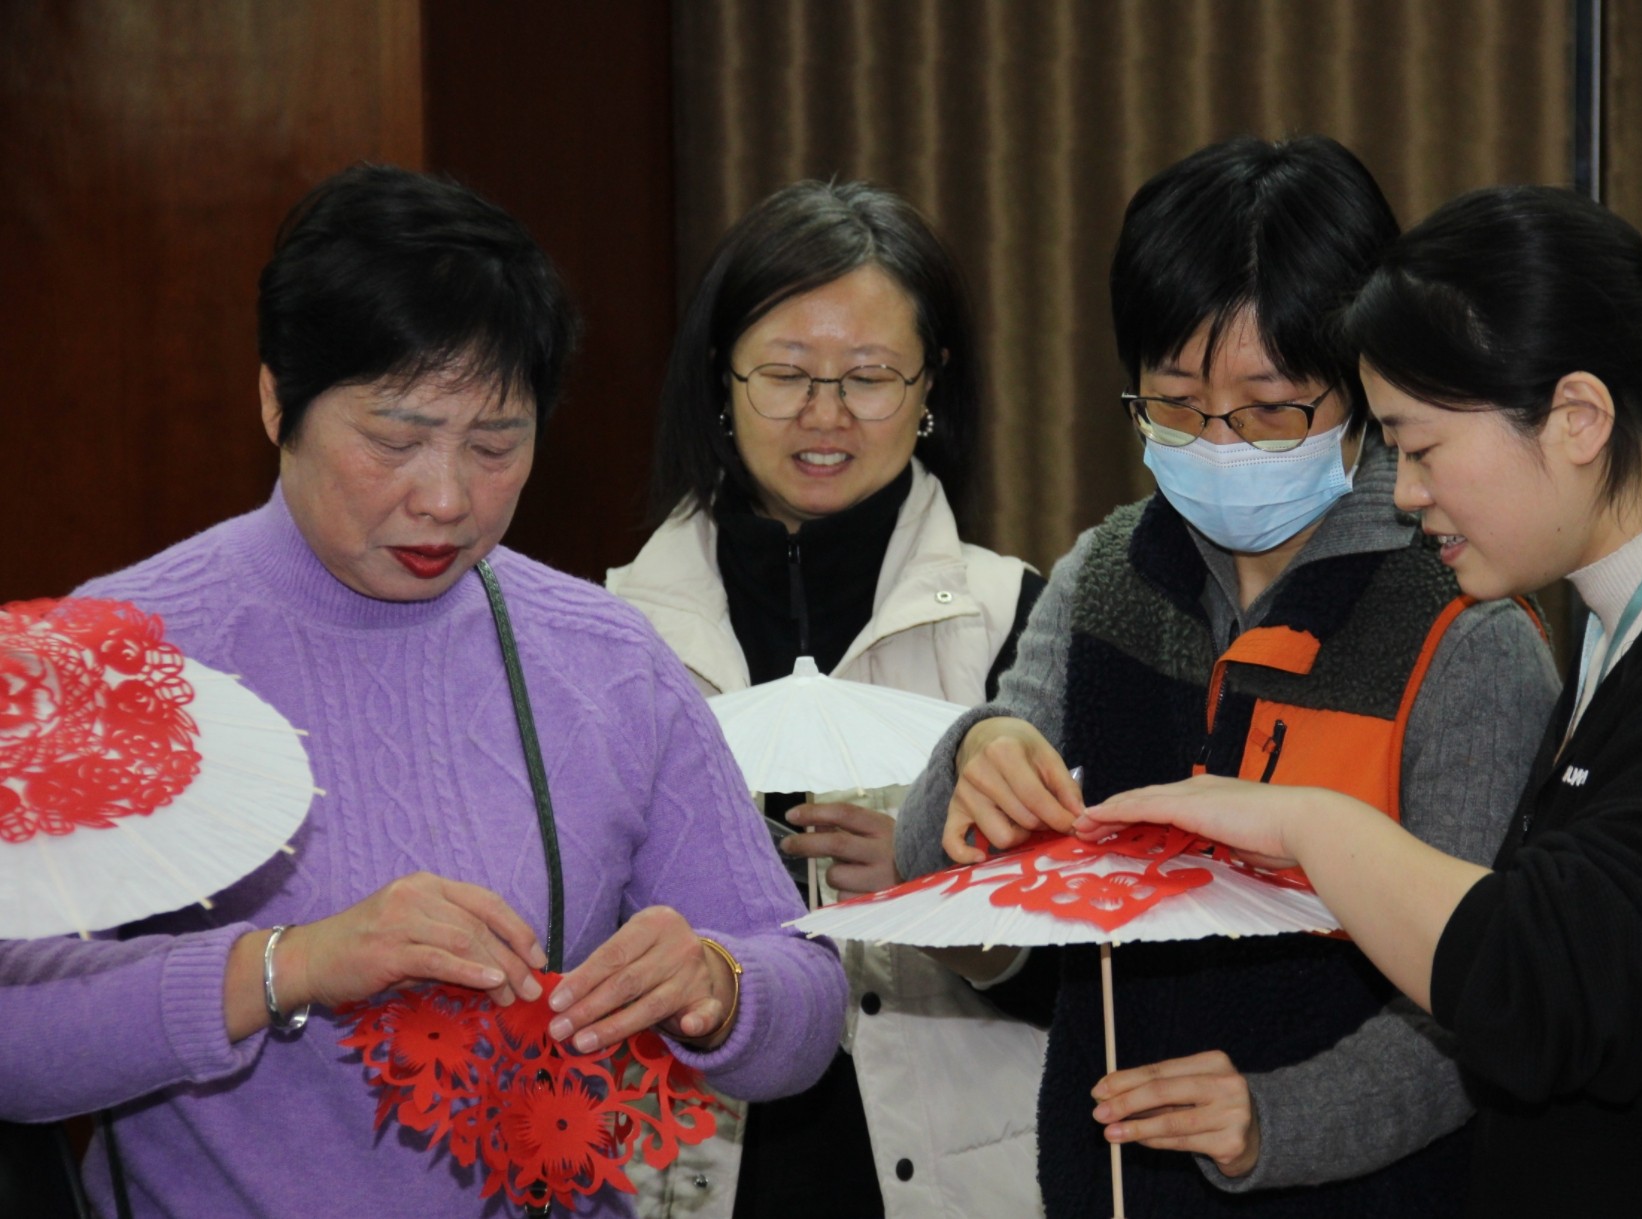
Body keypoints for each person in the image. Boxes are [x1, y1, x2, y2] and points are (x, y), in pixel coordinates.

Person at [0, 165, 846, 1216]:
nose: (446, 497)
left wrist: (720, 986)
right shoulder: (115, 658)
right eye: (395, 440)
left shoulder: (607, 659)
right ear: (276, 400)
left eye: (495, 444)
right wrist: (290, 965)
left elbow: (810, 1000)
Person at [1079, 185, 1642, 1216]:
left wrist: (1304, 820)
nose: (1405, 492)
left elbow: (1538, 980)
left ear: (1577, 419)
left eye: (1421, 447)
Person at [892, 136, 1560, 1217]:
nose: (1219, 441)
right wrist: (979, 754)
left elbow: (1487, 998)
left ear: (1364, 387)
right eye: (1174, 402)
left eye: (1270, 407)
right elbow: (940, 885)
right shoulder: (1107, 574)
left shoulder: (1462, 623)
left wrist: (1277, 1116)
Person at [605, 180, 1048, 1219]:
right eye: (786, 374)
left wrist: (933, 889)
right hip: (685, 1172)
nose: (825, 414)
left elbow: (1097, 973)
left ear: (930, 387)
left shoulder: (1015, 617)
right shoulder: (610, 635)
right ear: (721, 381)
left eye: (869, 377)